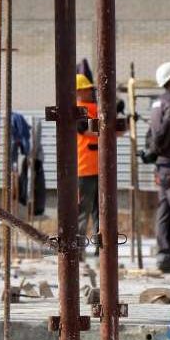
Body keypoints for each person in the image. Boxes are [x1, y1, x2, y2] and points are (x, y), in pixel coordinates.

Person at [141, 62, 170, 273]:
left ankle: (165, 257)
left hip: (163, 166)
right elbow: (164, 132)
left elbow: (152, 132)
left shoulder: (158, 102)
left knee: (166, 211)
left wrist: (150, 151)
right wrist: (155, 149)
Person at [75, 73, 100, 246]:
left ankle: (101, 250)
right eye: (86, 89)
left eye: (90, 88)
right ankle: (78, 250)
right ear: (78, 91)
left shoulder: (97, 108)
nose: (90, 91)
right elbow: (84, 130)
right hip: (84, 168)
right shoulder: (77, 110)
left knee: (101, 212)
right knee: (83, 212)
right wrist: (107, 128)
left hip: (101, 168)